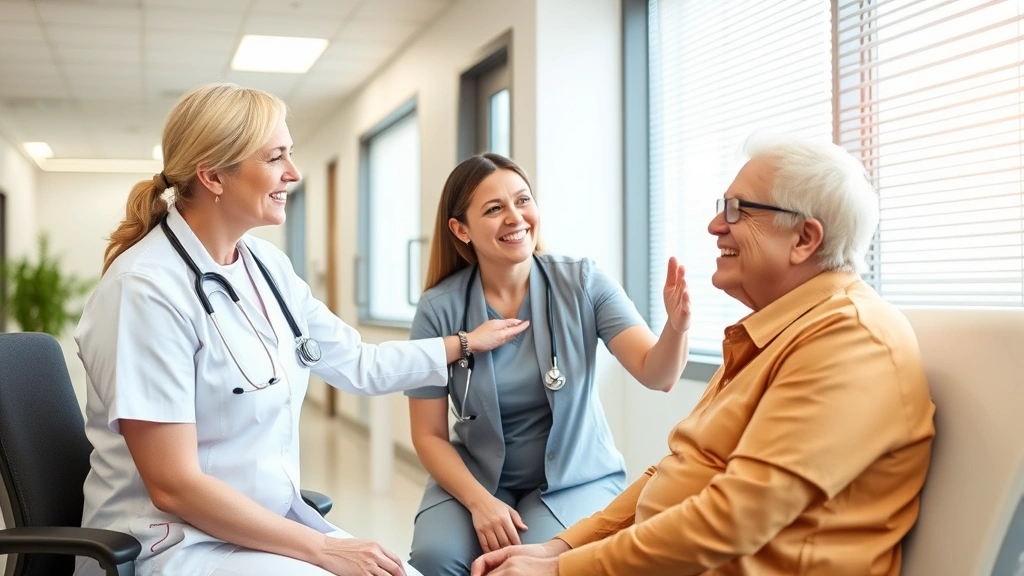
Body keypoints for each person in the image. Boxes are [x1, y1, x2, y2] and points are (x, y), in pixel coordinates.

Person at [73, 83, 528, 576]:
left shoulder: (265, 266)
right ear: (212, 176)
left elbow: (357, 362)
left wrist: (463, 342)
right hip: (173, 545)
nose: (293, 173)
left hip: (257, 530)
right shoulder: (145, 289)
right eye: (275, 158)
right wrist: (323, 549)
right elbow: (174, 485)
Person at [470, 137, 937, 576]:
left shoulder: (848, 339)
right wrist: (561, 549)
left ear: (804, 239)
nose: (715, 226)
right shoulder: (775, 332)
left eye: (737, 210)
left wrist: (561, 570)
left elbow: (735, 518)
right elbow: (679, 466)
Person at [404, 153, 691, 575]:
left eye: (523, 200)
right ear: (460, 229)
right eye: (494, 208)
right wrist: (480, 502)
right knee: (436, 558)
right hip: (478, 478)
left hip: (574, 480)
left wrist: (677, 327)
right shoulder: (439, 309)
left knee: (522, 566)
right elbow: (428, 434)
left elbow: (657, 374)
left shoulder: (582, 282)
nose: (515, 217)